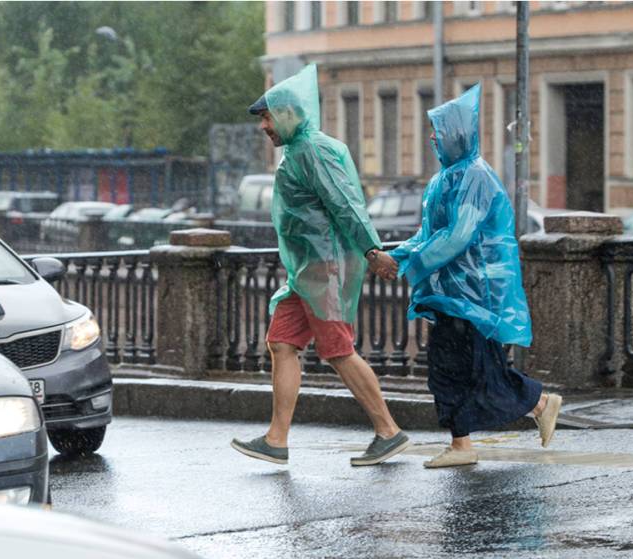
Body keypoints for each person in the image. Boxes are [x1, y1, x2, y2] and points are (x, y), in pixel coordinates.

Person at [231, 64, 409, 467]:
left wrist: (371, 250)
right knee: (281, 342)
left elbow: (344, 204)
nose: (264, 126)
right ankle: (276, 439)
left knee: (338, 350)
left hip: (326, 268)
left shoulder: (312, 150)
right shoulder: (299, 150)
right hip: (307, 273)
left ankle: (388, 430)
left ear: (288, 115)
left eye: (267, 117)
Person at [377, 84, 562, 468]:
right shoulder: (442, 180)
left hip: (478, 295)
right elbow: (429, 235)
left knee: (475, 369)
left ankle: (532, 405)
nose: (433, 138)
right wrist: (396, 255)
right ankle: (467, 440)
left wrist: (406, 264)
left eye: (439, 131)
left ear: (458, 135)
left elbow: (458, 236)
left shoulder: (475, 176)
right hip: (453, 294)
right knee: (454, 367)